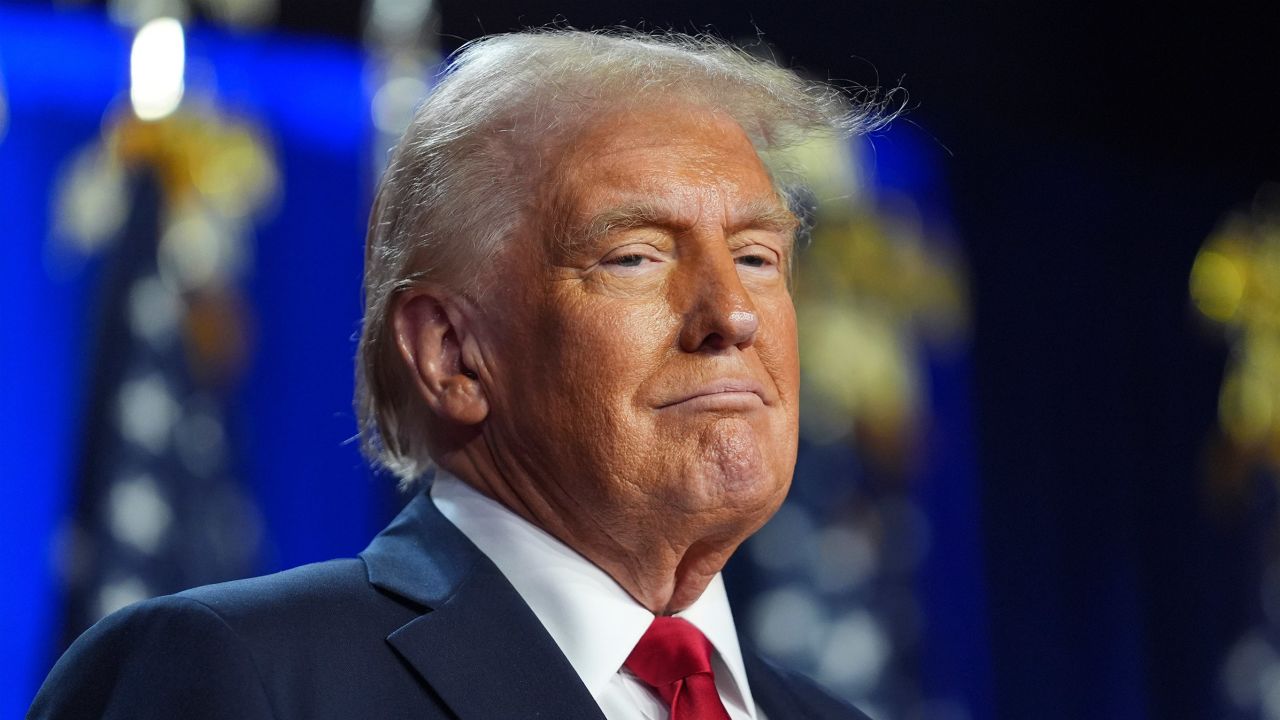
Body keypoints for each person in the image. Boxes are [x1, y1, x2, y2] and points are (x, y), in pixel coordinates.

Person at [31, 29, 890, 720]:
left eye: (756, 255)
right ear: (450, 354)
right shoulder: (238, 677)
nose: (732, 315)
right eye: (634, 257)